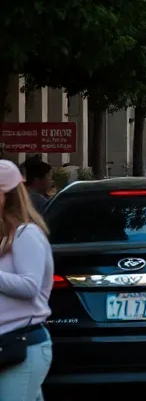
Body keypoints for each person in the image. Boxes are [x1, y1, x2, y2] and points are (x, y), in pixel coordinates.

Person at [0, 160, 54, 401]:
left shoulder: (26, 234)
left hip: (21, 345)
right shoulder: (7, 236)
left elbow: (30, 286)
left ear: (6, 196)